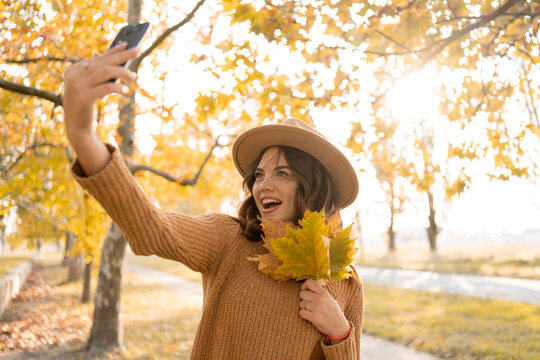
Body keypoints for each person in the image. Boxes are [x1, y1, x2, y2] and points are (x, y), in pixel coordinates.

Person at [63, 43, 363, 359]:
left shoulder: (346, 280)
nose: (263, 186)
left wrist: (339, 333)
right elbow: (153, 227)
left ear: (313, 187)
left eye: (283, 174)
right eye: (259, 175)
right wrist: (83, 134)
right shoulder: (229, 240)